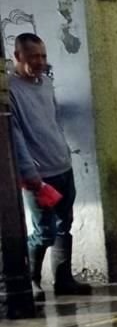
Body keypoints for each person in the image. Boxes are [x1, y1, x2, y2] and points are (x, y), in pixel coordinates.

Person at [8, 33, 92, 299]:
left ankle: (63, 279)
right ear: (17, 57)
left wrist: (65, 153)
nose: (41, 62)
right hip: (38, 175)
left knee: (64, 225)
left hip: (62, 166)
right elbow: (15, 135)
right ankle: (31, 280)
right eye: (34, 57)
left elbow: (54, 121)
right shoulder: (11, 91)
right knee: (43, 231)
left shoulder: (45, 84)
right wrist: (29, 174)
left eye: (43, 56)